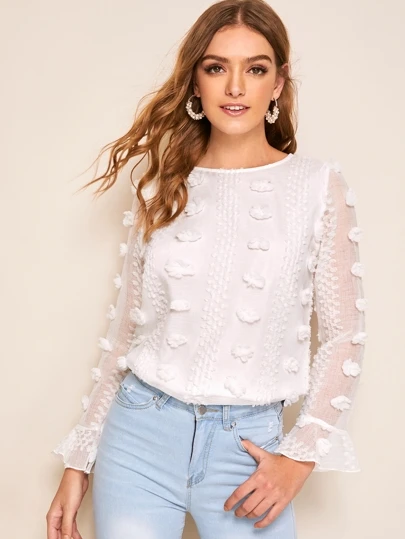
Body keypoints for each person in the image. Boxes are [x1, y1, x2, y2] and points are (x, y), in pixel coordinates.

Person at [46, 1, 367, 538]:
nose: (235, 87)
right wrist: (79, 460)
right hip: (137, 439)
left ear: (279, 83)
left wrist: (300, 456)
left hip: (247, 450)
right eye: (217, 67)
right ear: (195, 81)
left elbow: (343, 336)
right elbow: (125, 335)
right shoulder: (161, 186)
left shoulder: (317, 186)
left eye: (255, 69)